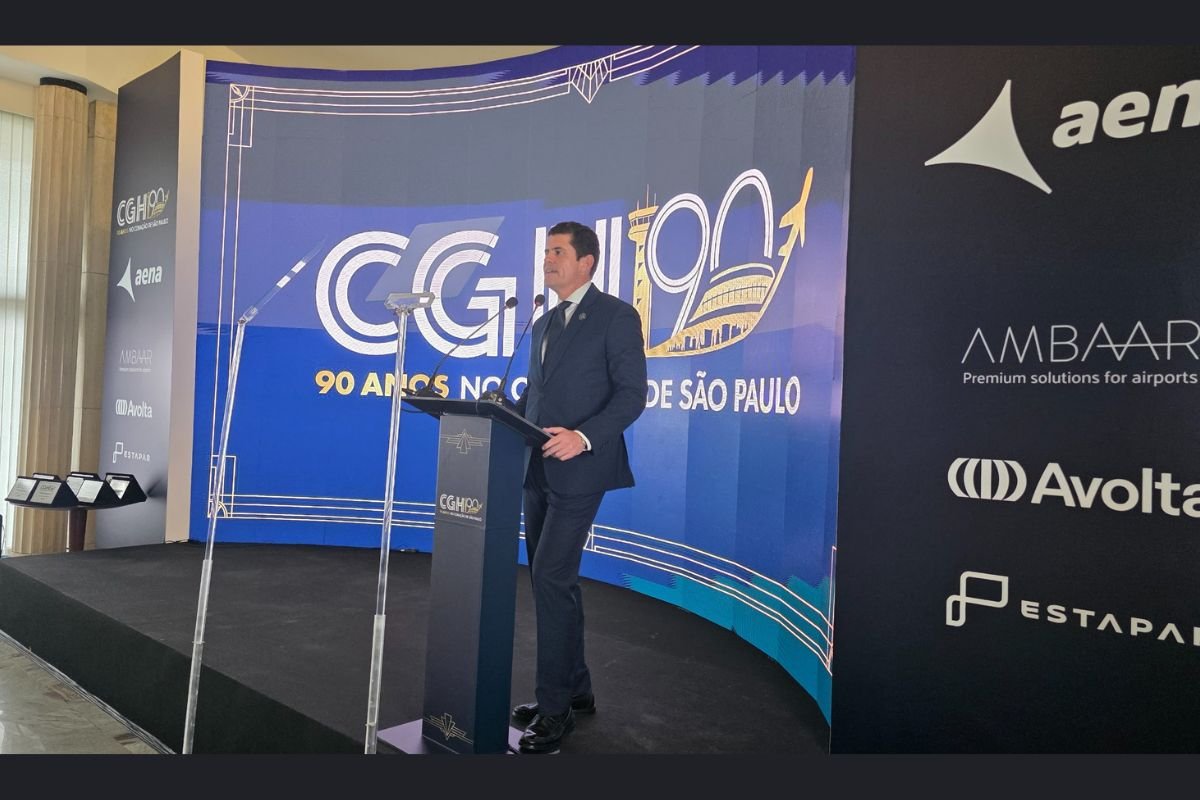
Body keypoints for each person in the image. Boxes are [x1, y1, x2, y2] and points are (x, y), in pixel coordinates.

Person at [512, 221, 648, 754]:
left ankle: (555, 710)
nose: (548, 260)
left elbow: (632, 395)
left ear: (586, 262)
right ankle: (577, 689)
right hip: (537, 468)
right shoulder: (544, 321)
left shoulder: (616, 315)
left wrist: (584, 437)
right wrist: (499, 411)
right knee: (555, 580)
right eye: (546, 251)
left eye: (558, 252)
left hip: (581, 469)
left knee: (550, 575)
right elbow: (538, 394)